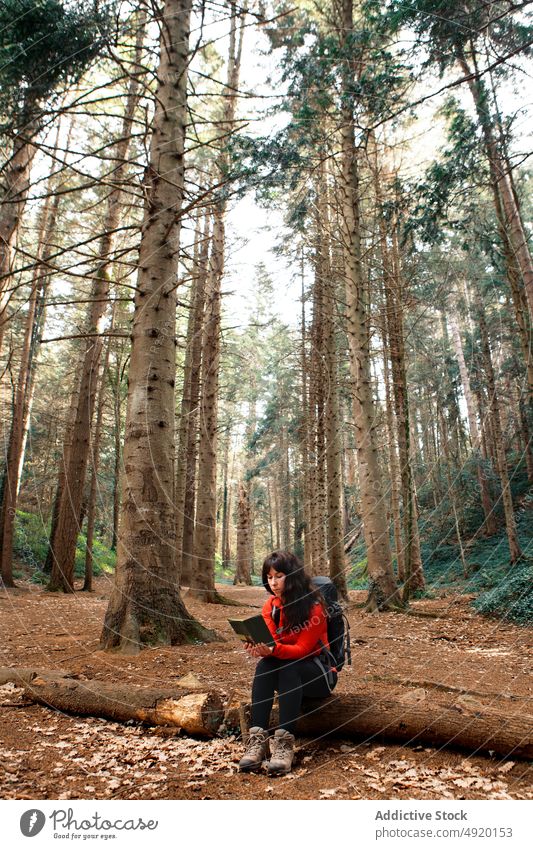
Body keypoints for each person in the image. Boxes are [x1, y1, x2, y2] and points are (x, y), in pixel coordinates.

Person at [238, 550, 337, 776]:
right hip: (287, 674)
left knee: (290, 666)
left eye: (279, 576)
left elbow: (302, 650)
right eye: (269, 577)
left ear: (292, 576)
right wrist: (260, 649)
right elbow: (273, 647)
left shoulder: (314, 606)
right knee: (264, 666)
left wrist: (273, 649)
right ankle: (257, 741)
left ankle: (284, 746)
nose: (273, 582)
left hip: (320, 675)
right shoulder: (269, 607)